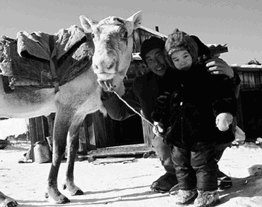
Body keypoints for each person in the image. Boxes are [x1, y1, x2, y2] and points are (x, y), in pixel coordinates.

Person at [101, 35, 240, 194]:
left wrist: (231, 75)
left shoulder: (192, 72)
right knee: (161, 142)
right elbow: (119, 113)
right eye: (150, 59)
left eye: (159, 56)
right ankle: (175, 174)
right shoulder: (143, 85)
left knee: (220, 129)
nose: (157, 63)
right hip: (172, 136)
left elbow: (225, 94)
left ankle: (208, 170)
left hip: (203, 131)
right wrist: (107, 93)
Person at [151, 29, 237, 207]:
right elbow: (163, 101)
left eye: (185, 56)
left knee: (202, 162)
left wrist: (224, 112)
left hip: (202, 131)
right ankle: (187, 189)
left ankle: (208, 191)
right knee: (180, 163)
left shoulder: (206, 74)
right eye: (176, 59)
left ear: (193, 54)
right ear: (171, 61)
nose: (181, 62)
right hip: (177, 133)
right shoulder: (171, 79)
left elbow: (222, 94)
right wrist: (158, 119)